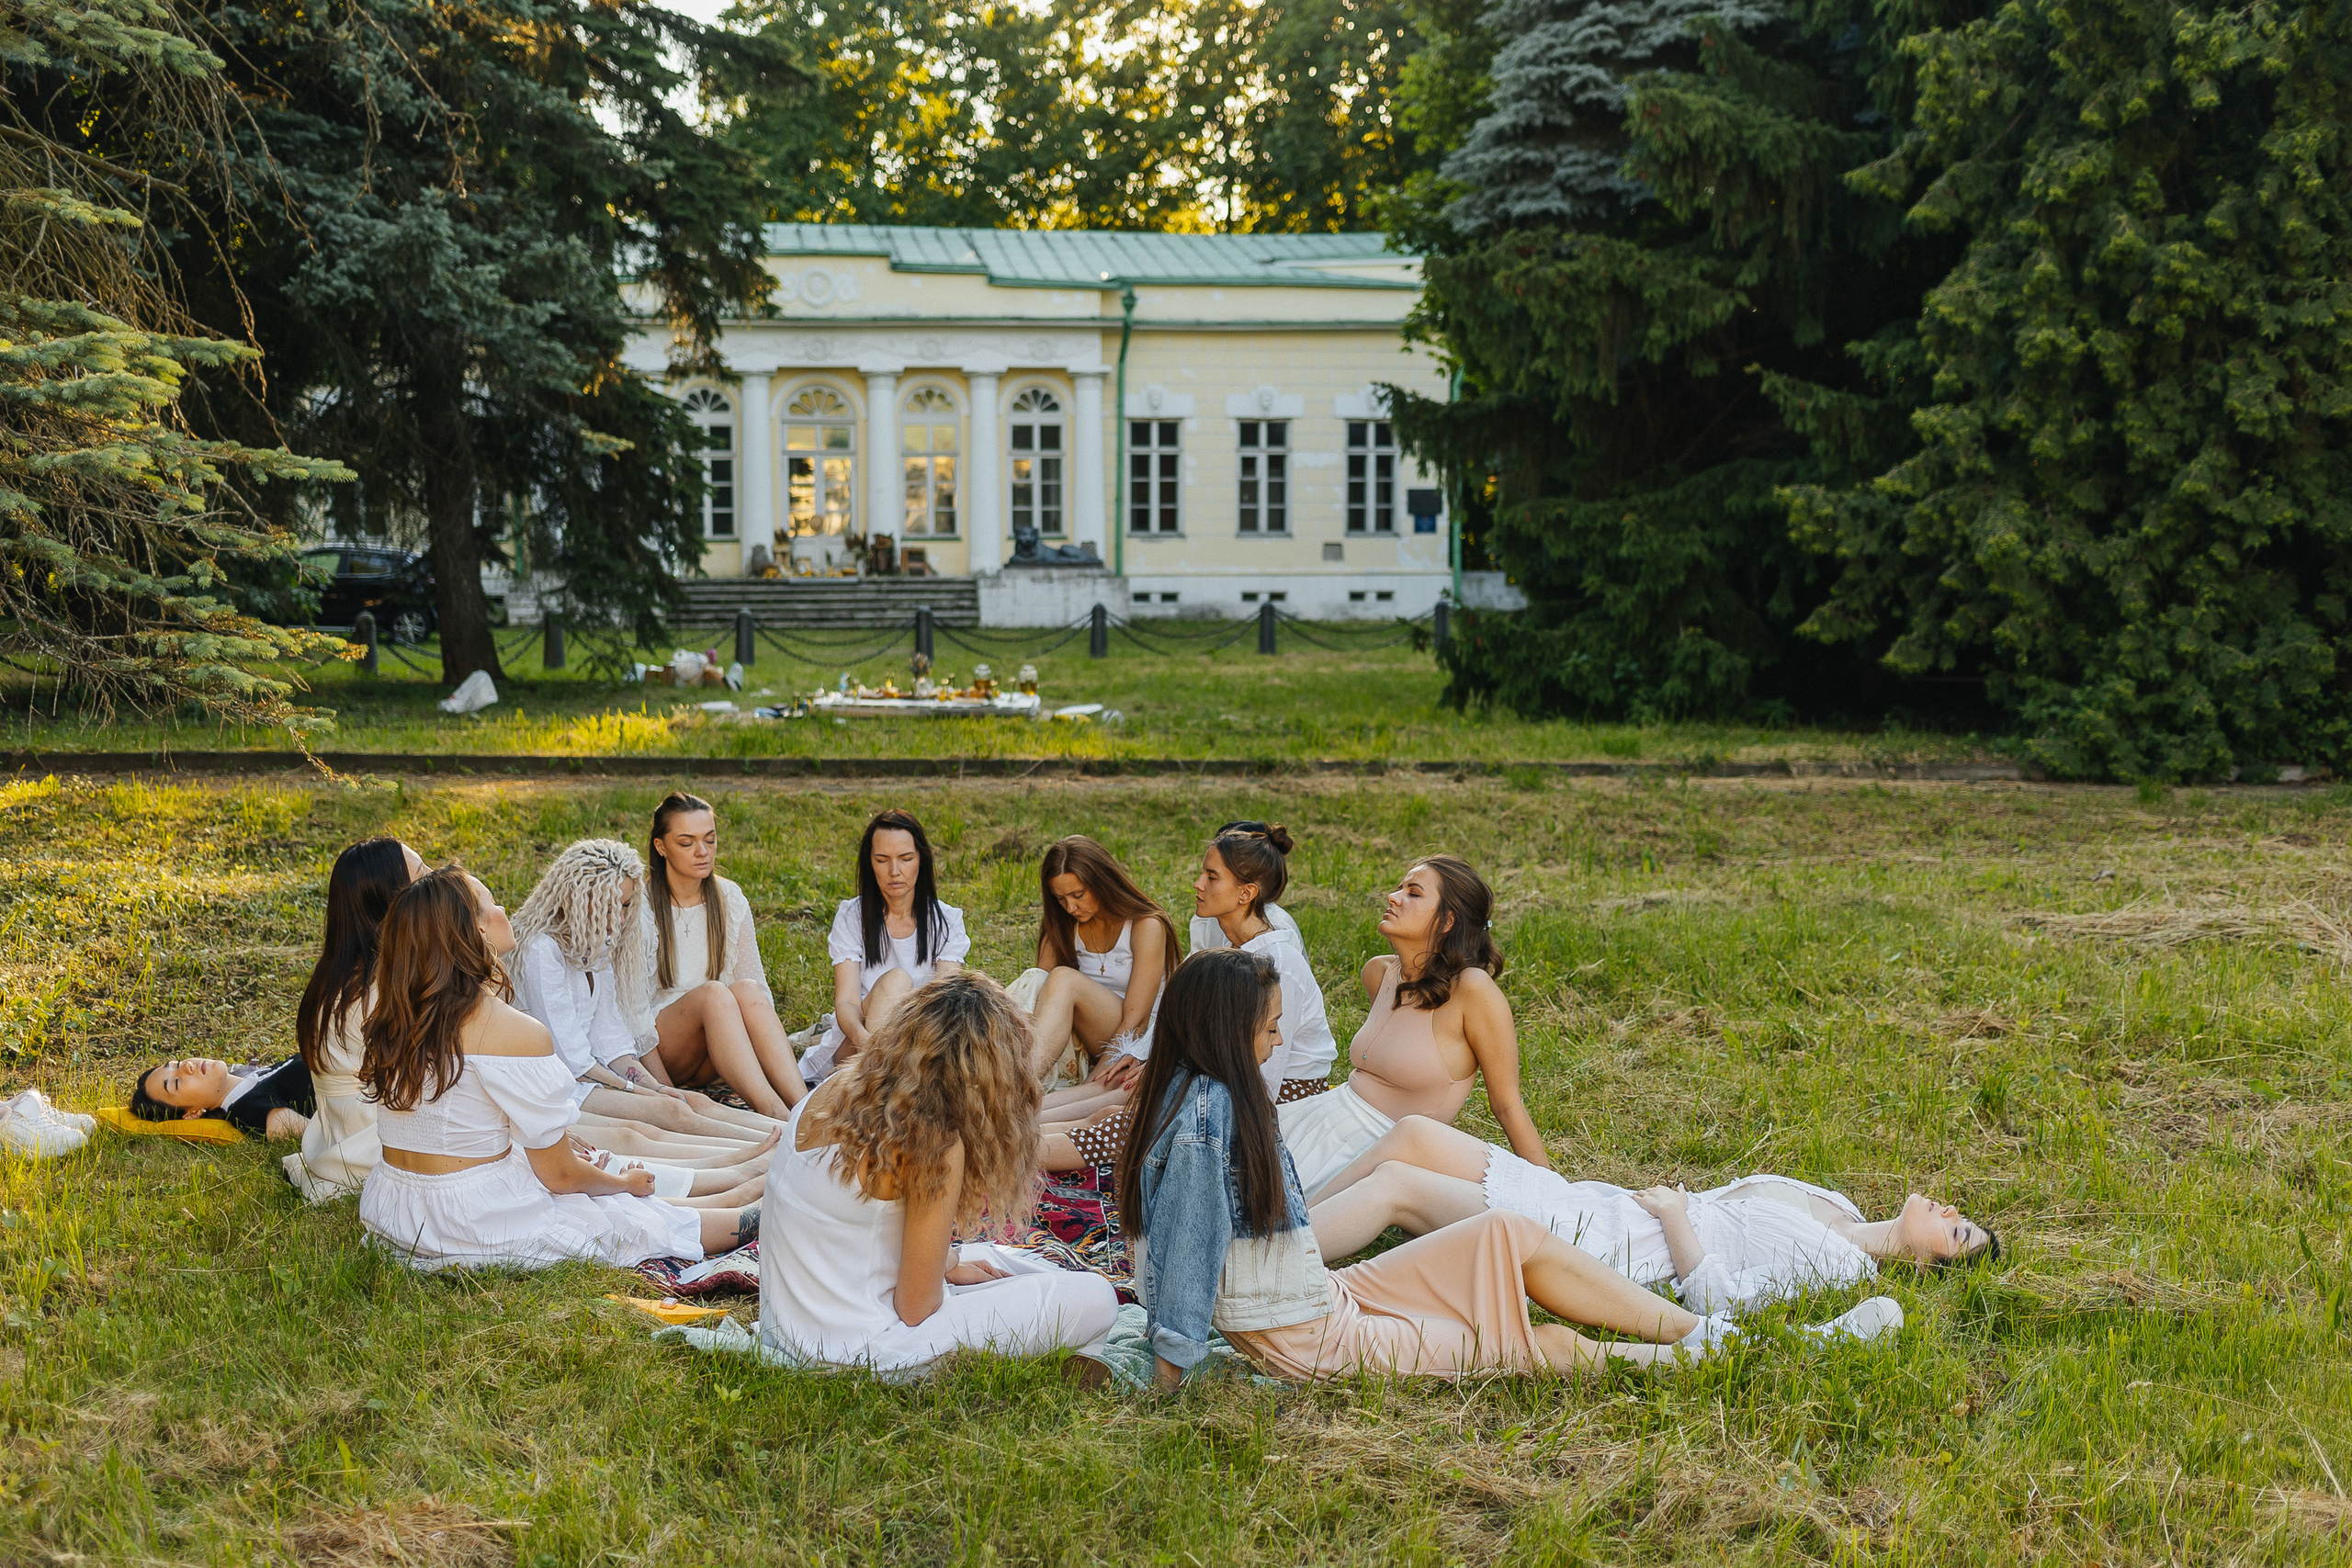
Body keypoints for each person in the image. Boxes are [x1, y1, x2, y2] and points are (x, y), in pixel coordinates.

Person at [1124, 951, 1903, 1388]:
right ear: (1226, 1029)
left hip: (1326, 1296)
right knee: (1530, 1345)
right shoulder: (1207, 1119)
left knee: (1508, 1230)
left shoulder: (1202, 1096)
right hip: (1318, 1340)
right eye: (1268, 1028)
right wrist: (1169, 1375)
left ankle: (1712, 1332)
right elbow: (1189, 1251)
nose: (1275, 1041)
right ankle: (1753, 1353)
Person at [356, 865, 758, 1272]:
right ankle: (754, 1208)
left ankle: (734, 1189)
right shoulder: (511, 1031)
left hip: (398, 1210)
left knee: (598, 1181)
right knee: (625, 1215)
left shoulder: (396, 1020)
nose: (503, 909)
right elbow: (561, 1177)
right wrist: (623, 1184)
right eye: (492, 902)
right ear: (476, 932)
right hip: (472, 1221)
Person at [758, 971, 1119, 1377]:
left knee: (994, 1257)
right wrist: (945, 1271)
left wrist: (949, 1263)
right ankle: (1036, 1354)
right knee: (1097, 1298)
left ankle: (1037, 1343)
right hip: (862, 1352)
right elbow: (916, 1309)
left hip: (787, 1329)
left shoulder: (836, 1088)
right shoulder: (933, 1141)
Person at [1308, 1115, 2000, 1312]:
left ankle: (1273, 1258)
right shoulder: (1840, 1207)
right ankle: (1281, 1215)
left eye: (1957, 1230)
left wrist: (1675, 1216)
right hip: (1604, 1203)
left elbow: (1721, 1299)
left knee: (1398, 1185)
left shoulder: (1844, 1268)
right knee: (1413, 1134)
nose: (1951, 1210)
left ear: (1927, 1263)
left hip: (1609, 1245)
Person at [1042, 822, 1329, 1172]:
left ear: (1246, 893)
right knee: (1122, 1083)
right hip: (1220, 1076)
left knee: (1119, 1120)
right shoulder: (1225, 948)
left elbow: (1263, 1080)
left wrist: (1172, 1077)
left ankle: (1001, 1150)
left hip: (1278, 1099)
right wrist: (1144, 1055)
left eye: (1211, 877)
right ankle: (1008, 1119)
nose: (1197, 884)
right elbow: (1178, 1016)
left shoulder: (1281, 964)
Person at [1275, 855, 1549, 1201]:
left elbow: (1507, 1105)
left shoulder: (1472, 990)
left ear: (1447, 920)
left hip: (1381, 1150)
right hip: (1320, 1118)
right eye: (1400, 888)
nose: (1393, 897)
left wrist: (1552, 1197)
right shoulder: (1379, 973)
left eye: (1413, 893)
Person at [509, 837, 786, 1151]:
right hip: (561, 1087)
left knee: (690, 1101)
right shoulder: (541, 951)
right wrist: (640, 1091)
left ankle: (792, 1131)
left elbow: (612, 1043)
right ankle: (773, 1152)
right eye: (608, 908)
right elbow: (574, 1062)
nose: (619, 919)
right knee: (670, 1111)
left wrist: (655, 1086)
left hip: (595, 1077)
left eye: (626, 906)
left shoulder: (597, 947)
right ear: (577, 899)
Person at [639, 794, 808, 1116]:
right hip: (662, 1049)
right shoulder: (640, 906)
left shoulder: (729, 896)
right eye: (687, 842)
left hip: (717, 1048)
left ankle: (804, 1107)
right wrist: (665, 1092)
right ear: (661, 847)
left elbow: (756, 990)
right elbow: (631, 1014)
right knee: (714, 994)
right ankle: (776, 1113)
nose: (702, 852)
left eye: (710, 839)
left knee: (747, 990)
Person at [284, 837, 425, 1199]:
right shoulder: (377, 988)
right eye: (422, 875)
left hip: (343, 1130)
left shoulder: (345, 976)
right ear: (394, 898)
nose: (435, 882)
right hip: (372, 1138)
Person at [797, 809, 971, 1084]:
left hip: (920, 1042)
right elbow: (847, 1002)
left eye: (906, 859)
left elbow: (944, 1001)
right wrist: (868, 1043)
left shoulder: (947, 920)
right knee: (895, 981)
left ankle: (885, 1086)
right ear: (870, 863)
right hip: (858, 1043)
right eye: (882, 860)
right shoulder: (852, 916)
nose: (894, 872)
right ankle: (876, 1086)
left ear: (921, 860)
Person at [1019, 835, 1181, 1087]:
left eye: (1078, 894)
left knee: (1063, 979)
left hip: (1138, 1040)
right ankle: (1004, 1071)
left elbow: (1136, 1023)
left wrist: (1094, 1084)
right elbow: (1037, 993)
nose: (1070, 907)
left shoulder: (1146, 925)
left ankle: (1017, 1083)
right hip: (1084, 1038)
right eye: (1060, 898)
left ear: (1102, 882)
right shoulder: (1062, 924)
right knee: (1037, 979)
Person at [130, 1056, 312, 1140]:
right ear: (192, 1114)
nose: (188, 1066)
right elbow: (315, 1134)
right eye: (176, 1083)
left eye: (177, 1064)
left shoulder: (257, 1077)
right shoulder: (248, 1109)